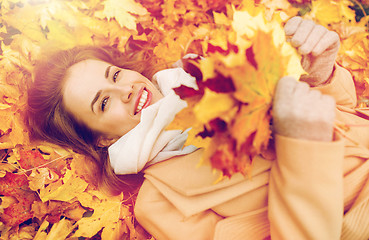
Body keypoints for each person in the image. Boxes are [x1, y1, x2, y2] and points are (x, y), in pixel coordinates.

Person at [26, 16, 369, 239]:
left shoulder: (213, 71)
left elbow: (343, 121)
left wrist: (322, 73)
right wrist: (303, 149)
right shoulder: (158, 203)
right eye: (103, 103)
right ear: (103, 138)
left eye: (114, 75)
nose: (126, 89)